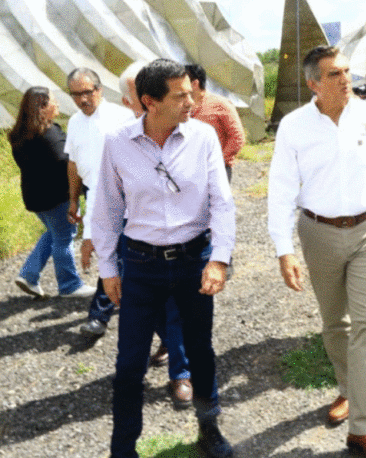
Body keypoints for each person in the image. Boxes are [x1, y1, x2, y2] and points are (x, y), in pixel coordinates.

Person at [268, 46, 366, 458]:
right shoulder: (294, 127)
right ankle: (348, 388)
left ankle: (362, 428)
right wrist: (284, 249)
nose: (346, 79)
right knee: (337, 324)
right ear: (313, 83)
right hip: (319, 233)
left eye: (347, 71)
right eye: (334, 74)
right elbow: (280, 189)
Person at [92, 58, 236, 458]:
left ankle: (210, 429)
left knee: (200, 351)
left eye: (191, 92)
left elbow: (222, 203)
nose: (192, 101)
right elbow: (105, 209)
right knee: (129, 362)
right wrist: (108, 270)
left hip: (194, 261)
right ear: (150, 102)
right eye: (181, 95)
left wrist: (219, 259)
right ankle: (122, 449)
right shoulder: (118, 142)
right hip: (140, 265)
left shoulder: (203, 137)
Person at [67, 67, 135, 336]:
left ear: (100, 90)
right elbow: (73, 164)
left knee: (115, 255)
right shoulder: (74, 122)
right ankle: (104, 313)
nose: (83, 99)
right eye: (76, 94)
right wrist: (73, 200)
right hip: (94, 195)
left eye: (87, 92)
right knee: (117, 257)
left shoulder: (122, 118)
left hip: (125, 198)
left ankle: (100, 316)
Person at [9, 87, 95, 298]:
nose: (57, 104)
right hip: (56, 198)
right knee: (64, 238)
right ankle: (69, 285)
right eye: (53, 101)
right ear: (42, 108)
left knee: (55, 233)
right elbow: (65, 161)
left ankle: (28, 275)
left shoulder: (19, 134)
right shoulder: (49, 133)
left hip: (34, 197)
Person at [185, 64, 245, 183]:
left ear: (194, 84)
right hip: (190, 172)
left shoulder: (221, 104)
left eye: (183, 82)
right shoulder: (183, 106)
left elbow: (237, 137)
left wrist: (217, 163)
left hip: (217, 172)